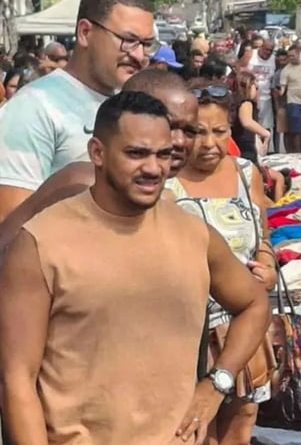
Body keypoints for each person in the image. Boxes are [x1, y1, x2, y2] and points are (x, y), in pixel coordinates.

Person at [0, 91, 270, 444]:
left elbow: (254, 304)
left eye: (163, 155)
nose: (154, 168)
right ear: (98, 152)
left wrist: (217, 383)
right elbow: (16, 378)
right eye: (136, 153)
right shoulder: (41, 242)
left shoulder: (193, 233)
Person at [166, 81, 276, 443]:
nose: (209, 144)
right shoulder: (164, 182)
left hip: (243, 328)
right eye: (197, 132)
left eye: (220, 131)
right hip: (186, 333)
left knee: (240, 424)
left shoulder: (246, 173)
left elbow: (263, 236)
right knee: (194, 430)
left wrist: (267, 265)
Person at [0, 0, 157, 222]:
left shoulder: (135, 104)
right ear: (85, 33)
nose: (138, 55)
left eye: (146, 45)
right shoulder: (33, 108)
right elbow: (10, 225)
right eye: (128, 40)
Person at [0, 69, 199, 256]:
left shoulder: (170, 205)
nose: (179, 141)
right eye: (169, 126)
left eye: (190, 131)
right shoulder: (82, 185)